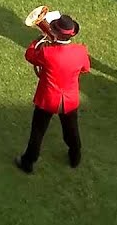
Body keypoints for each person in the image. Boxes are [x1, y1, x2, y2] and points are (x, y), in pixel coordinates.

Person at [16, 15, 90, 173]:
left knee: (38, 132)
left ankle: (28, 162)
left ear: (56, 33)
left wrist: (37, 40)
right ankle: (75, 156)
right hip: (70, 99)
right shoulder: (81, 51)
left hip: (48, 99)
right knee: (71, 130)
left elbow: (30, 55)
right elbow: (85, 69)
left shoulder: (47, 52)